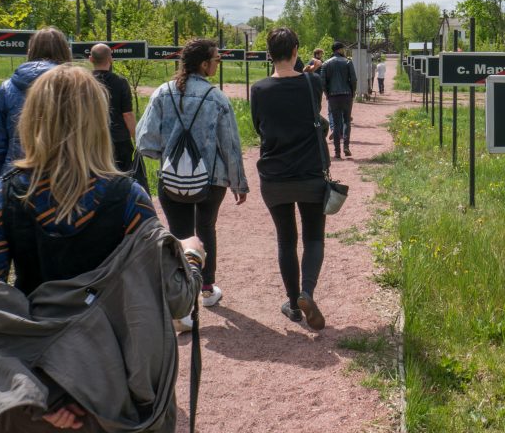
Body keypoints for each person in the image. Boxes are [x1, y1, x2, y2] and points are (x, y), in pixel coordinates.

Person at [0, 65, 204, 432]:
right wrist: (191, 254)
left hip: (37, 383)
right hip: (113, 388)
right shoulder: (128, 199)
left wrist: (34, 393)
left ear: (31, 119)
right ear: (97, 121)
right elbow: (176, 299)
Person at [136, 38, 249, 309]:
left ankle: (182, 298)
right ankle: (208, 289)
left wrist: (168, 155)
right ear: (204, 64)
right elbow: (230, 146)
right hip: (212, 180)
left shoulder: (162, 93)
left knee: (179, 233)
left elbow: (145, 141)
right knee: (206, 228)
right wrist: (238, 183)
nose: (219, 63)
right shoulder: (217, 98)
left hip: (171, 179)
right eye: (217, 59)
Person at [250, 28, 330, 329]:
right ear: (296, 50)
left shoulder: (259, 89)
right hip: (311, 173)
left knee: (286, 239)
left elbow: (259, 127)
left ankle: (293, 304)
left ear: (269, 53)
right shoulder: (312, 83)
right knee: (313, 237)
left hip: (274, 175)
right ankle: (306, 292)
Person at [0, 26, 72, 182]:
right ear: (65, 51)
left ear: (31, 50)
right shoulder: (76, 87)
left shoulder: (7, 88)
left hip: (15, 178)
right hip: (67, 180)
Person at [89, 43, 136, 172]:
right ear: (110, 59)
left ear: (91, 59)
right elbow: (128, 115)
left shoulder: (84, 81)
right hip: (119, 140)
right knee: (123, 178)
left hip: (92, 140)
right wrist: (136, 138)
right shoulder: (121, 82)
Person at [320, 41, 357, 159]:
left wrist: (327, 94)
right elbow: (354, 79)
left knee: (336, 124)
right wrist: (352, 92)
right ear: (340, 50)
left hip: (333, 96)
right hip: (346, 95)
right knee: (347, 121)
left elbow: (322, 82)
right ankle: (346, 146)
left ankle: (337, 152)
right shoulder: (348, 62)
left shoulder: (325, 64)